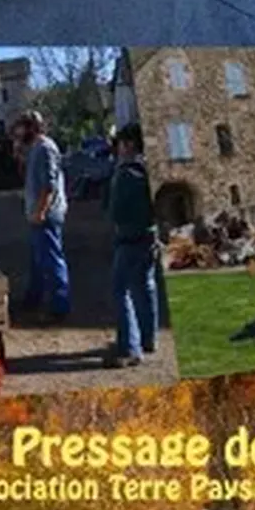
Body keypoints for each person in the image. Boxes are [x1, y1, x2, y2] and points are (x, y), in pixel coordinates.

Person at [103, 123, 158, 369]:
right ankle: (148, 338)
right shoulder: (148, 169)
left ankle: (130, 348)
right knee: (144, 287)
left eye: (120, 144)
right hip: (149, 237)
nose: (118, 149)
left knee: (120, 290)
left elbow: (116, 211)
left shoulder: (126, 173)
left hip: (130, 238)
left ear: (129, 144)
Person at [14, 110, 70, 320]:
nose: (18, 133)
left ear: (31, 127)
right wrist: (19, 153)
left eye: (21, 128)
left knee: (52, 260)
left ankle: (60, 306)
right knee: (37, 261)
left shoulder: (45, 148)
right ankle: (33, 299)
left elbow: (49, 185)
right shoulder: (34, 149)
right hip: (37, 213)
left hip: (46, 215)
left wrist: (41, 211)